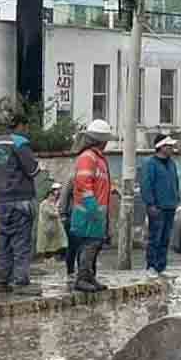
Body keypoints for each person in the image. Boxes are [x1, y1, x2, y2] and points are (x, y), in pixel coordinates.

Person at [0, 112, 42, 295]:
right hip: (20, 200)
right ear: (20, 125)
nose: (26, 131)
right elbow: (33, 170)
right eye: (25, 127)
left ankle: (1, 281)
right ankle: (21, 282)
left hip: (1, 201)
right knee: (21, 243)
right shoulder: (19, 143)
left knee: (4, 242)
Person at [70, 119, 116, 292]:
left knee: (95, 246)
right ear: (101, 140)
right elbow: (84, 184)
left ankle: (90, 277)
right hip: (89, 213)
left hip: (96, 213)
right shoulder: (88, 157)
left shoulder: (97, 158)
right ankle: (82, 278)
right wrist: (93, 207)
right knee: (89, 247)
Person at [140, 136, 181, 277]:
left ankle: (161, 267)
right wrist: (150, 203)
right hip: (157, 207)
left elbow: (175, 182)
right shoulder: (150, 163)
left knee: (165, 238)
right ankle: (151, 266)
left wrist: (176, 199)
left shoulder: (172, 164)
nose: (171, 148)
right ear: (161, 147)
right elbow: (146, 185)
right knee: (154, 237)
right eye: (168, 146)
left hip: (170, 206)